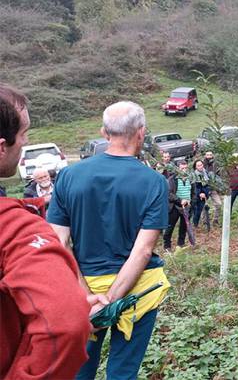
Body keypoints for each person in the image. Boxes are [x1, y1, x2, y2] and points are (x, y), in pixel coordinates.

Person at [47, 101, 170, 380]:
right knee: (123, 371)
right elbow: (143, 250)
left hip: (84, 289)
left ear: (104, 132)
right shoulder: (153, 182)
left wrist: (87, 300)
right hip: (137, 291)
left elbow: (58, 242)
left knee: (80, 368)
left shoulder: (68, 176)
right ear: (141, 133)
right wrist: (110, 301)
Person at [0, 83, 91, 379]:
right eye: (24, 134)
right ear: (2, 147)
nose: (25, 142)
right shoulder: (13, 226)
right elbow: (65, 324)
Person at [163, 159, 192, 251]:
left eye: (185, 168)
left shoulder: (190, 179)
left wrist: (191, 201)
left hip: (187, 207)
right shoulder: (172, 179)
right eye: (182, 168)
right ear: (177, 169)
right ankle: (167, 246)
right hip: (175, 207)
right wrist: (180, 200)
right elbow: (169, 194)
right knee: (170, 227)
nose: (184, 170)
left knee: (184, 227)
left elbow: (194, 192)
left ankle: (181, 244)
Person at [203, 151, 222, 223]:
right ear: (205, 156)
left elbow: (219, 175)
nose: (209, 156)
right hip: (204, 189)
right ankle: (204, 220)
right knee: (203, 205)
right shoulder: (202, 164)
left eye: (210, 155)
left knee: (218, 204)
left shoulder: (216, 164)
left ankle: (215, 219)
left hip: (213, 188)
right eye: (207, 155)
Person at [191, 159, 211, 228]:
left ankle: (199, 224)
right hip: (196, 195)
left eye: (201, 165)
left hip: (204, 195)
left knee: (200, 210)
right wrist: (199, 193)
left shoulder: (206, 173)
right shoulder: (194, 174)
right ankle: (194, 225)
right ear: (196, 167)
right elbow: (194, 186)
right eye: (198, 165)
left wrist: (206, 192)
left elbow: (207, 184)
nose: (200, 166)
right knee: (196, 211)